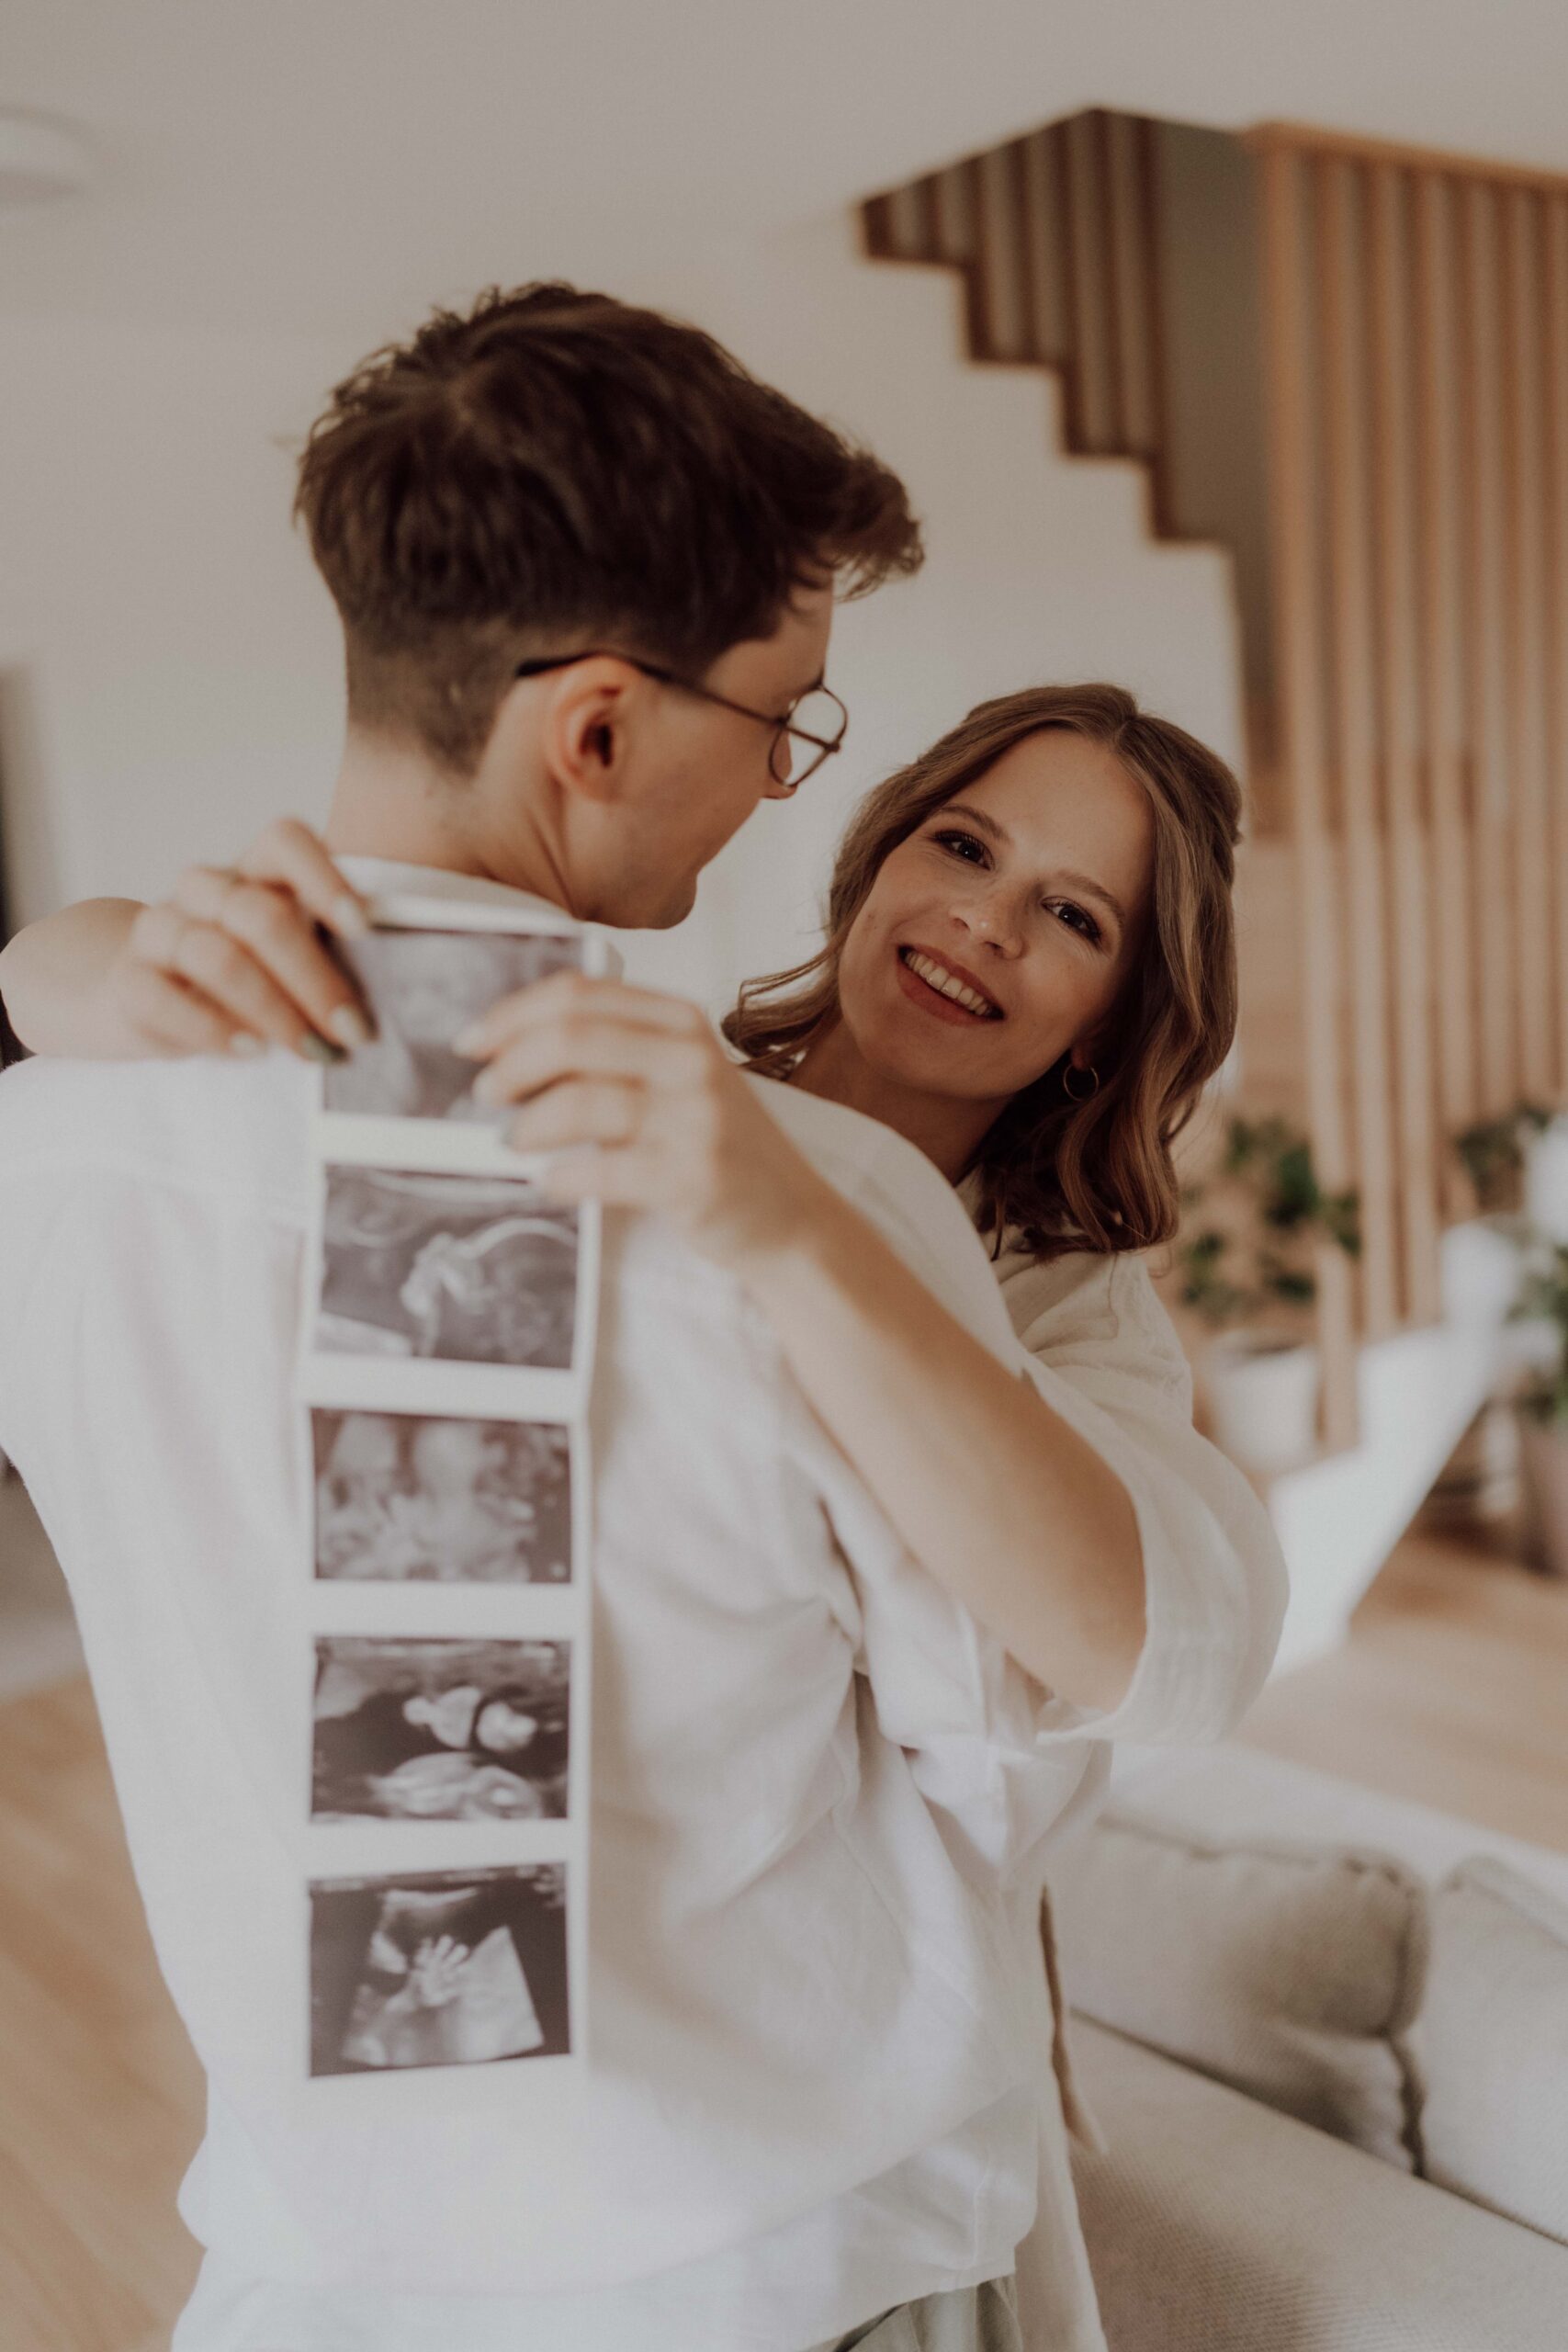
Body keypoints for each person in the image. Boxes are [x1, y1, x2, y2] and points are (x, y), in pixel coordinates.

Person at [0, 284, 1284, 2352]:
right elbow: (1063, 1675)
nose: (779, 776)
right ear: (596, 731)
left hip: (355, 2253)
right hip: (760, 2252)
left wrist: (59, 997)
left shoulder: (64, 1149)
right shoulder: (810, 1199)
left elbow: (1144, 1637)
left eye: (1070, 917)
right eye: (782, 717)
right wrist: (57, 959)